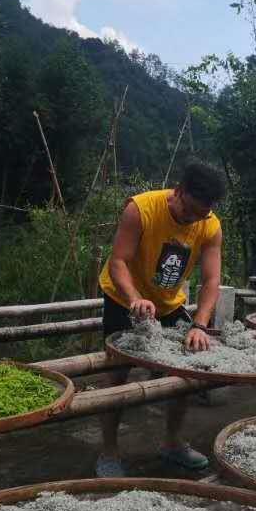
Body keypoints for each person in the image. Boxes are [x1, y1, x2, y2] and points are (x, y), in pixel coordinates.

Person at [95, 161, 226, 477]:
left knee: (184, 372)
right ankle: (109, 451)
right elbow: (118, 262)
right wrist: (134, 299)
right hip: (122, 297)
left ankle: (172, 443)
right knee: (117, 374)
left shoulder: (210, 225)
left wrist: (200, 324)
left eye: (201, 214)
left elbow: (211, 281)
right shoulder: (141, 209)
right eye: (189, 211)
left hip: (168, 303)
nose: (193, 219)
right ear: (178, 192)